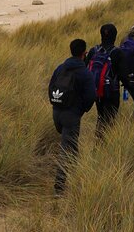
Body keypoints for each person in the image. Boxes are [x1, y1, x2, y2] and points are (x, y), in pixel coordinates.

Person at [48, 38, 96, 195]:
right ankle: (59, 186)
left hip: (57, 111)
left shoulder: (60, 68)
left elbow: (51, 87)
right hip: (71, 114)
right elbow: (91, 96)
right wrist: (81, 110)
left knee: (71, 145)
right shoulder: (85, 73)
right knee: (66, 149)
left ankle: (77, 174)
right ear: (84, 53)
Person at [85, 23, 130, 138]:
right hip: (111, 92)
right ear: (115, 36)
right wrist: (128, 88)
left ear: (101, 35)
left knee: (101, 115)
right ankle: (103, 144)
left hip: (96, 91)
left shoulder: (93, 51)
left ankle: (99, 139)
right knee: (110, 118)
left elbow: (85, 70)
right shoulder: (118, 53)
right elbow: (124, 76)